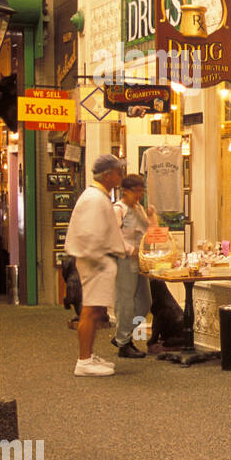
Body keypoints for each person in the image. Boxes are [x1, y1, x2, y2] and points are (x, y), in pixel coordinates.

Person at [64, 154, 127, 376]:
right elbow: (90, 235)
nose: (121, 177)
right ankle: (84, 360)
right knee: (90, 311)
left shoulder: (97, 196)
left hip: (98, 260)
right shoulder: (94, 198)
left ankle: (88, 356)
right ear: (108, 175)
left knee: (96, 310)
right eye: (119, 173)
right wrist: (101, 259)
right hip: (94, 261)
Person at [112, 174, 156, 359]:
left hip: (140, 260)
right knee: (125, 302)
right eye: (136, 191)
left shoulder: (138, 208)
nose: (139, 195)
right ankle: (124, 341)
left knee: (145, 303)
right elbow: (113, 236)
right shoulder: (118, 209)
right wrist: (129, 249)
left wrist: (153, 216)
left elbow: (151, 233)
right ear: (125, 191)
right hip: (124, 259)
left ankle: (122, 334)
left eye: (141, 191)